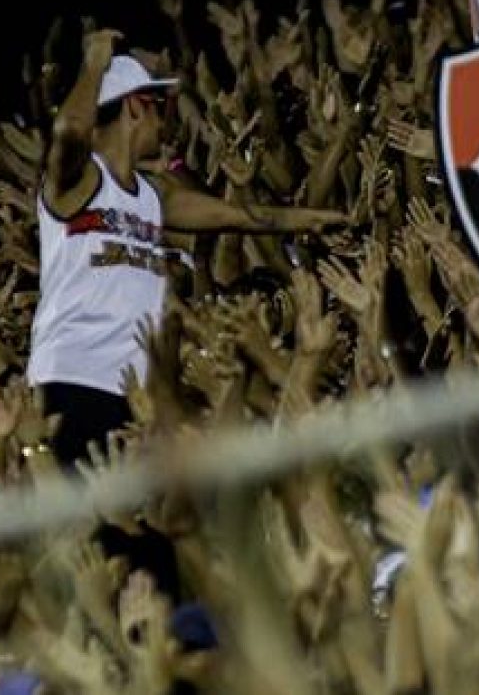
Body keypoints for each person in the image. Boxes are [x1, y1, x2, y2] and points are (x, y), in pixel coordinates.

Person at [27, 30, 347, 461]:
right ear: (136, 106)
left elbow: (245, 217)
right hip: (71, 382)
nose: (166, 120)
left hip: (137, 393)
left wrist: (315, 220)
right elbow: (67, 131)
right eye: (160, 107)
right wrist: (95, 64)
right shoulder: (77, 184)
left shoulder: (154, 196)